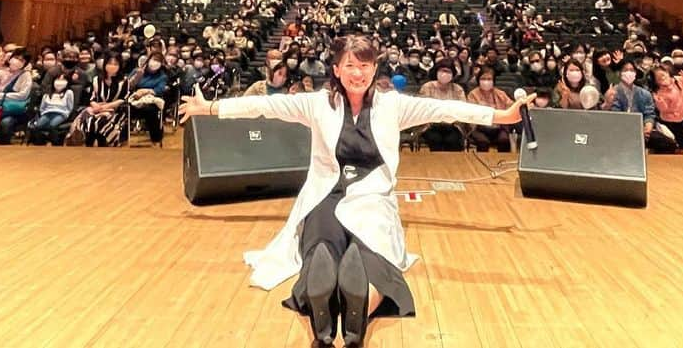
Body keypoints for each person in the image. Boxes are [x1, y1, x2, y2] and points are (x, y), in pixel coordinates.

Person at [179, 34, 533, 347]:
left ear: (375, 67)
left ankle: (344, 305)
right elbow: (265, 106)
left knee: (366, 248)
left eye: (365, 64)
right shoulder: (316, 103)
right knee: (329, 244)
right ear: (336, 68)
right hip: (325, 193)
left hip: (372, 197)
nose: (358, 72)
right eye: (350, 64)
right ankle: (345, 301)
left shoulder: (394, 104)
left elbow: (443, 109)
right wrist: (209, 107)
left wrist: (499, 118)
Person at [417, 60, 467, 151]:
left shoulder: (458, 89)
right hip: (431, 125)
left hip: (452, 124)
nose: (445, 74)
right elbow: (423, 107)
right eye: (442, 71)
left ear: (453, 74)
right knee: (435, 140)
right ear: (436, 72)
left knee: (453, 140)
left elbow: (463, 107)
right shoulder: (427, 87)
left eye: (448, 71)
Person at [465, 67, 513, 152]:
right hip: (479, 128)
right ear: (478, 80)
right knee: (483, 142)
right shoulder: (472, 94)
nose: (486, 81)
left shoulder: (500, 94)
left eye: (489, 79)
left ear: (493, 81)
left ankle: (502, 163)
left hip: (498, 127)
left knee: (504, 140)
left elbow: (510, 106)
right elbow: (470, 113)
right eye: (483, 79)